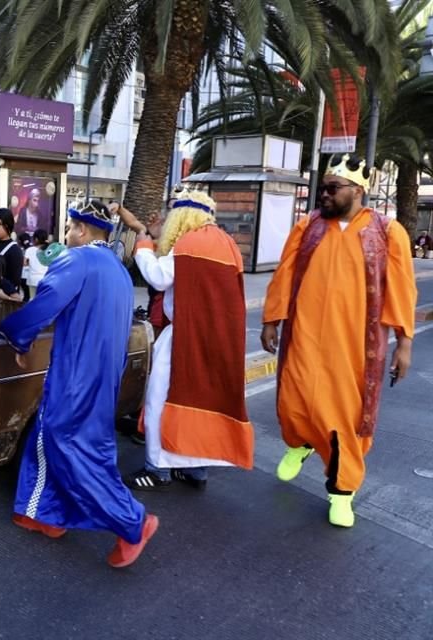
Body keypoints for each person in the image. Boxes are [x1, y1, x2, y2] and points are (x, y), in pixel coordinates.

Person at [0, 200, 158, 569]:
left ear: (82, 230)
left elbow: (46, 302)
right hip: (101, 376)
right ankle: (44, 513)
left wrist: (17, 337)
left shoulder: (78, 260)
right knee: (50, 434)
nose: (67, 235)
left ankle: (133, 522)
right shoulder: (117, 269)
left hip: (76, 374)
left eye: (70, 228)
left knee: (69, 444)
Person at [261, 154, 417, 528]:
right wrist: (271, 319)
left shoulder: (387, 231)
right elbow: (284, 273)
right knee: (295, 400)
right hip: (304, 336)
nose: (324, 196)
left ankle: (342, 493)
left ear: (357, 191)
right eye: (322, 189)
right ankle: (299, 443)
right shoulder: (308, 227)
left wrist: (404, 342)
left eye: (332, 189)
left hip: (353, 348)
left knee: (345, 420)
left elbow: (401, 288)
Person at [126, 189, 255, 491]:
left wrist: (143, 246)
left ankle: (157, 468)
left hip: (184, 336)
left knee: (160, 399)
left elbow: (158, 278)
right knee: (201, 399)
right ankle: (196, 469)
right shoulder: (226, 243)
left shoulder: (189, 242)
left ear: (182, 215)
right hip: (216, 339)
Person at [24, 229, 50, 299]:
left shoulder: (30, 250)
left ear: (36, 239)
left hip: (32, 279)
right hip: (45, 279)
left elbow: (25, 263)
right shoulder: (49, 250)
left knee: (32, 299)